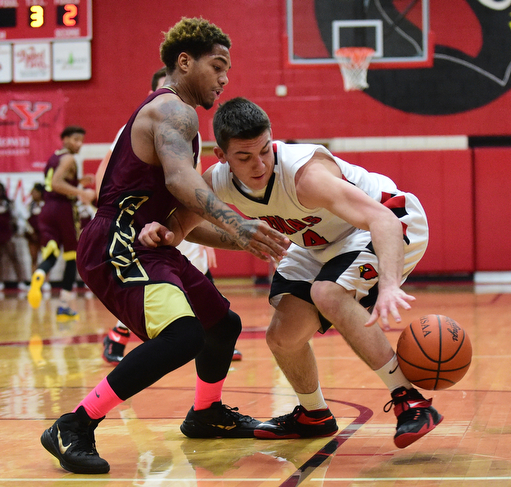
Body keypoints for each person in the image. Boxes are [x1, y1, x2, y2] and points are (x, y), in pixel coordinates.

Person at [40, 18, 289, 475]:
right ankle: (73, 425)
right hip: (116, 240)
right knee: (185, 335)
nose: (225, 78)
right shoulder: (175, 110)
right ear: (184, 61)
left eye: (227, 69)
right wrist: (239, 222)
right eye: (218, 66)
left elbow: (183, 225)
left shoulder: (182, 123)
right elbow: (179, 181)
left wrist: (246, 238)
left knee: (222, 324)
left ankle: (207, 414)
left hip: (144, 241)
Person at [139, 97, 443, 449]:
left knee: (327, 293)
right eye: (245, 157)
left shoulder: (305, 176)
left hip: (388, 221)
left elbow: (381, 219)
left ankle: (410, 400)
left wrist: (388, 285)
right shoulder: (217, 181)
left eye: (265, 150)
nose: (259, 164)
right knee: (283, 336)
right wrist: (161, 232)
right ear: (222, 157)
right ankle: (314, 414)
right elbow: (181, 228)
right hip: (318, 242)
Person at [100, 67, 242, 364]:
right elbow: (103, 175)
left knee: (199, 275)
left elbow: (194, 184)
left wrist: (202, 228)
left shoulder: (189, 127)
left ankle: (218, 337)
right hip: (140, 224)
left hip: (175, 217)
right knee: (149, 285)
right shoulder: (137, 125)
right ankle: (118, 335)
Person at [27, 126, 96, 319]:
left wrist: (78, 182)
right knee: (71, 256)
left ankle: (40, 273)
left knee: (52, 251)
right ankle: (64, 305)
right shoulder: (69, 158)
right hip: (63, 210)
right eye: (75, 139)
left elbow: (53, 184)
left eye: (81, 140)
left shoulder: (54, 157)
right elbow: (57, 183)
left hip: (47, 208)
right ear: (64, 139)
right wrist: (81, 192)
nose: (79, 144)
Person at [0, 182, 26, 290]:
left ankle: (21, 281)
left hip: (7, 234)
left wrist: (17, 230)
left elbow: (16, 217)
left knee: (14, 257)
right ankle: (0, 281)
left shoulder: (9, 203)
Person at [24, 183, 46, 274]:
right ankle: (34, 280)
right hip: (33, 235)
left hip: (44, 234)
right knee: (33, 258)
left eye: (34, 192)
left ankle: (46, 281)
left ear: (40, 193)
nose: (32, 194)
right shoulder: (30, 205)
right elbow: (25, 220)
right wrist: (31, 232)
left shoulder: (46, 205)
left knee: (46, 258)